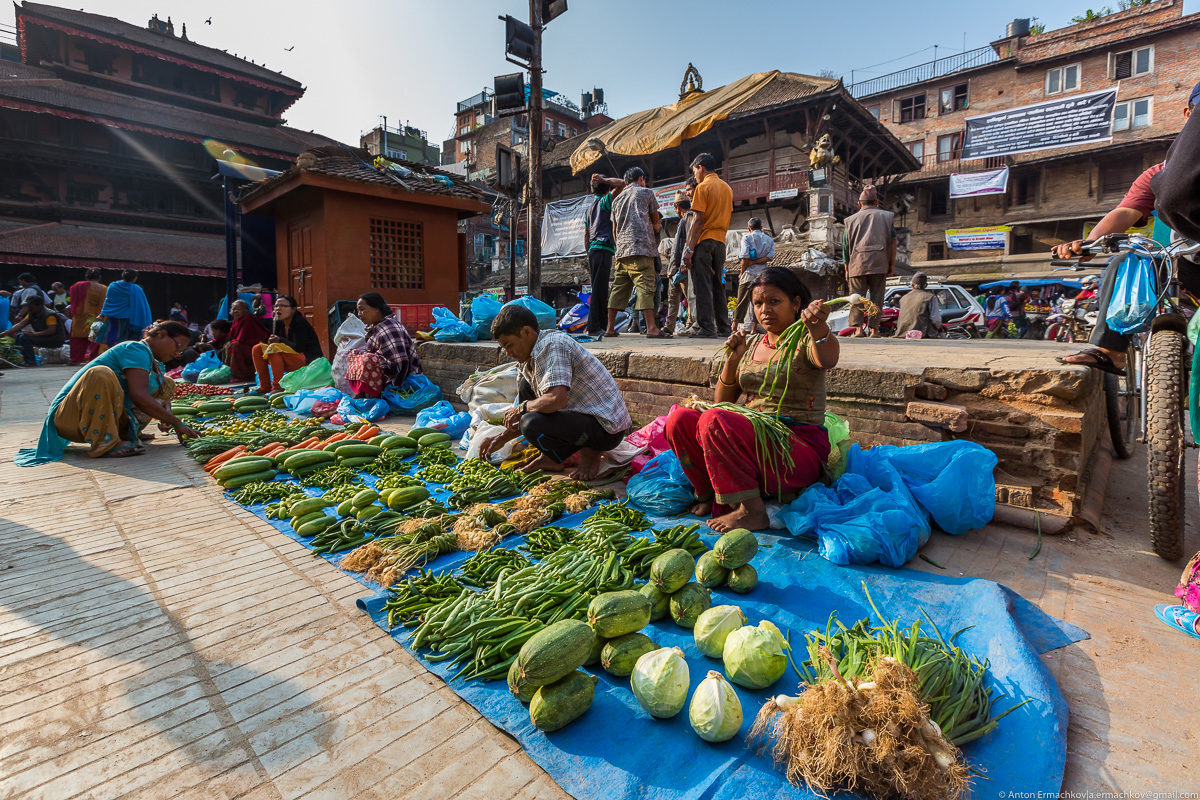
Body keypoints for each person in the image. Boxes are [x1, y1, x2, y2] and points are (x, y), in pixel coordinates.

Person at [665, 267, 837, 532]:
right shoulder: (753, 342)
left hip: (794, 451)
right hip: (753, 442)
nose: (765, 309)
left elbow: (828, 358)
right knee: (679, 419)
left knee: (715, 420)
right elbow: (723, 403)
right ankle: (709, 491)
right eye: (758, 303)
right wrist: (734, 359)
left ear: (796, 303)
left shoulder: (805, 339)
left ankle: (751, 511)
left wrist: (819, 327)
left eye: (774, 301)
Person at [1052, 82, 1197, 373]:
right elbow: (1125, 212)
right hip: (1184, 267)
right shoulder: (1159, 174)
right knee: (1124, 262)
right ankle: (1110, 350)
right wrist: (1090, 242)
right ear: (1188, 115)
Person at [14, 321, 200, 465]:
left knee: (166, 382)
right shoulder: (136, 349)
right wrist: (178, 422)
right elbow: (139, 396)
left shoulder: (155, 363)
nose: (178, 353)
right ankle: (105, 443)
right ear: (161, 335)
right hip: (70, 419)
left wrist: (167, 414)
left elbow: (162, 395)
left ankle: (128, 431)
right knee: (100, 374)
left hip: (102, 418)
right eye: (178, 346)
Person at [480, 304, 631, 480]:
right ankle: (552, 458)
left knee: (530, 421)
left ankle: (591, 451)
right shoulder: (527, 360)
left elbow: (556, 400)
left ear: (527, 332)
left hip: (606, 428)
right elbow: (525, 413)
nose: (507, 353)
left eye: (509, 345)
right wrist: (498, 439)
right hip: (581, 417)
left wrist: (522, 408)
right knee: (526, 389)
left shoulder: (553, 346)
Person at [607, 166, 668, 338]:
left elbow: (614, 230)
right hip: (641, 248)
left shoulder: (616, 200)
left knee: (618, 289)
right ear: (641, 178)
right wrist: (656, 226)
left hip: (622, 252)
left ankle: (610, 328)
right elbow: (655, 218)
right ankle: (651, 328)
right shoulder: (646, 192)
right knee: (645, 287)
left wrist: (621, 246)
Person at [682, 153, 733, 338]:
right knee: (718, 285)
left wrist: (689, 249)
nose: (695, 175)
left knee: (702, 285)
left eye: (695, 171)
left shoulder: (703, 187)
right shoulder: (727, 188)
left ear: (700, 167)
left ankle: (707, 328)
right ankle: (724, 327)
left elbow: (698, 221)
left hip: (704, 242)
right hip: (720, 242)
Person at [842, 185, 896, 336]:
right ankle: (874, 330)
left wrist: (846, 268)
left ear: (859, 203)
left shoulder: (850, 220)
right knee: (877, 298)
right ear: (876, 201)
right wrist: (892, 264)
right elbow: (893, 242)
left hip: (856, 264)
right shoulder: (887, 217)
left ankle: (858, 330)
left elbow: (846, 246)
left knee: (856, 298)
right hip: (879, 263)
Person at [347, 292, 421, 397]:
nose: (359, 314)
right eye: (358, 311)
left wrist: (396, 388)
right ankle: (362, 394)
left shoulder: (390, 327)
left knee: (368, 359)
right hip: (387, 373)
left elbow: (401, 363)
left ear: (376, 308)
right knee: (354, 355)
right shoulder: (376, 327)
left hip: (403, 379)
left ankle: (375, 396)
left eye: (362, 310)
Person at [251, 294, 323, 393]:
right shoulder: (279, 322)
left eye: (283, 306)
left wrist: (279, 340)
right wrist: (273, 340)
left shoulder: (299, 322)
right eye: (276, 306)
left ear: (293, 309)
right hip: (291, 357)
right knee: (257, 348)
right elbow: (278, 342)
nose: (278, 309)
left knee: (274, 349)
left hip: (308, 360)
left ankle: (278, 387)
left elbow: (298, 347)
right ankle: (264, 386)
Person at [584, 173, 625, 335]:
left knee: (599, 288)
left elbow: (586, 235)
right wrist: (605, 180)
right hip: (603, 248)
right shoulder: (605, 202)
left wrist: (588, 251)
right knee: (600, 290)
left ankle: (600, 325)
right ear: (607, 188)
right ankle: (594, 326)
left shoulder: (589, 209)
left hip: (593, 250)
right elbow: (621, 183)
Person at [733, 218, 776, 329]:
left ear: (749, 228)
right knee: (759, 302)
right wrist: (756, 261)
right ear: (761, 227)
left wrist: (741, 272)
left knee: (741, 300)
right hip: (762, 274)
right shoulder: (769, 240)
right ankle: (754, 328)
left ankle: (734, 325)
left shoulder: (747, 237)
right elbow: (769, 257)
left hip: (748, 273)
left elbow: (744, 258)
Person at [1, 294, 66, 366]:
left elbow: (51, 330)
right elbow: (21, 324)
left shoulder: (50, 315)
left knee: (24, 338)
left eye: (31, 306)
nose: (29, 308)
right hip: (42, 336)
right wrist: (5, 333)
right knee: (19, 336)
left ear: (39, 305)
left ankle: (31, 361)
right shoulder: (32, 313)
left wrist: (34, 334)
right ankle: (26, 359)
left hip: (54, 339)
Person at [96, 269, 152, 350]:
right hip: (129, 319)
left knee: (113, 340)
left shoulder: (113, 286)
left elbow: (108, 301)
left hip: (113, 317)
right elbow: (141, 305)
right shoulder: (136, 289)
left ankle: (113, 355)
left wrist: (102, 314)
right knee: (127, 341)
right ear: (134, 278)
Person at [665, 190, 694, 333]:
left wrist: (683, 264)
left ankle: (690, 325)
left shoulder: (688, 217)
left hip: (681, 268)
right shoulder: (683, 220)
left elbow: (688, 241)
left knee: (689, 298)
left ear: (677, 207)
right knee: (673, 300)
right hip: (674, 268)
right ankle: (669, 326)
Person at [223, 298, 270, 381]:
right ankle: (228, 373)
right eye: (234, 309)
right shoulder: (236, 320)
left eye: (239, 309)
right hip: (245, 343)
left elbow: (242, 338)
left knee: (235, 346)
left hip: (256, 345)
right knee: (227, 345)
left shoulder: (248, 318)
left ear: (245, 310)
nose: (235, 311)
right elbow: (232, 335)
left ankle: (241, 376)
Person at [67, 269, 107, 364]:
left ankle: (76, 360)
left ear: (86, 277)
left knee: (78, 339)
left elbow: (73, 301)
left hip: (80, 315)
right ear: (99, 277)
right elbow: (105, 304)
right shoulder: (104, 288)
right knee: (95, 338)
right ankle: (94, 359)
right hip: (97, 315)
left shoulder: (77, 286)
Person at [895, 273, 942, 339]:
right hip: (923, 334)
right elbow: (936, 320)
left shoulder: (903, 298)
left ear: (912, 285)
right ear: (926, 285)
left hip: (903, 333)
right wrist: (939, 327)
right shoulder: (930, 297)